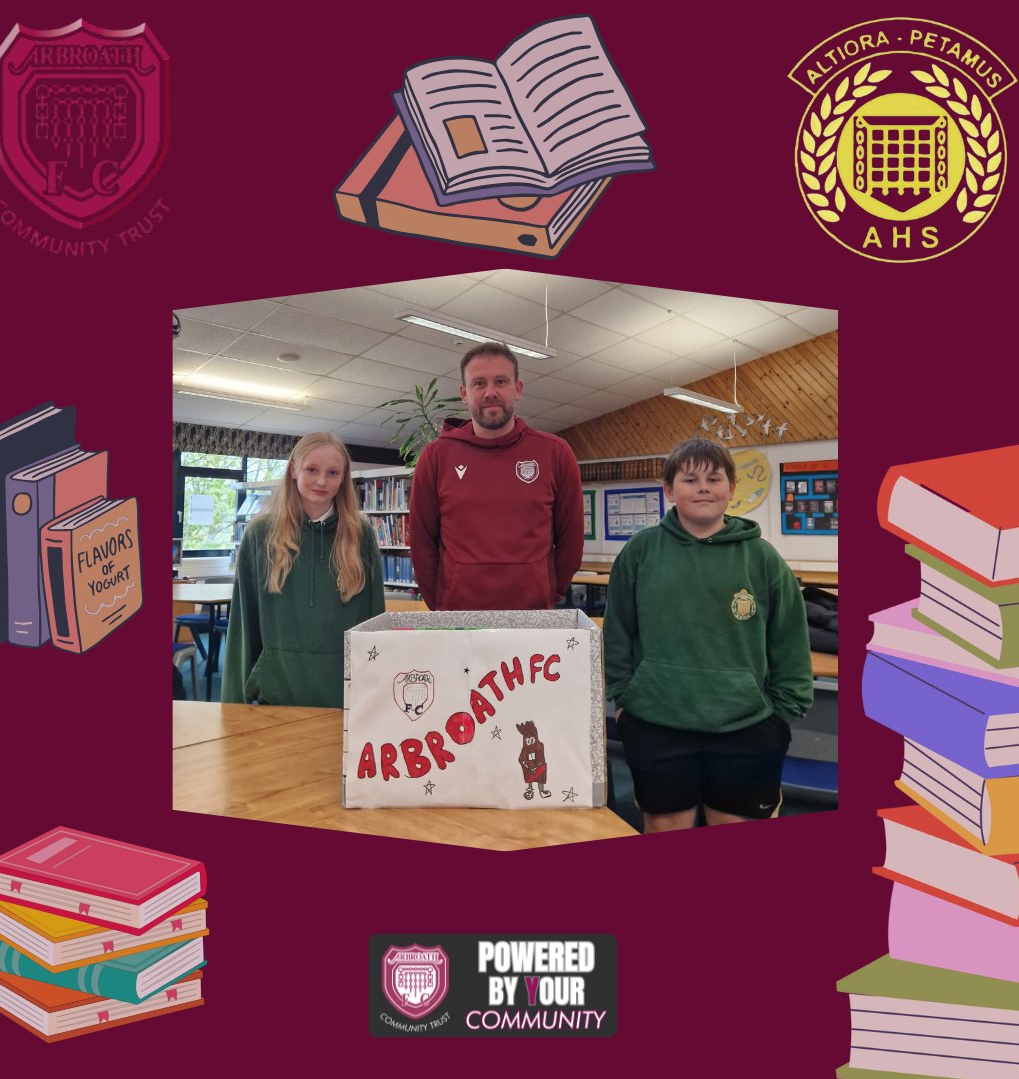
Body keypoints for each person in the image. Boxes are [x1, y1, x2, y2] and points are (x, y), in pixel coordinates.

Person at [603, 438, 812, 832]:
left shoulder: (763, 558)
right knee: (665, 826)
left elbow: (789, 639)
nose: (703, 488)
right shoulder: (640, 552)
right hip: (655, 722)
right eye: (690, 479)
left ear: (731, 489)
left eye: (714, 479)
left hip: (746, 727)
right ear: (669, 490)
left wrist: (781, 715)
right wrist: (624, 700)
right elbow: (617, 631)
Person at [409, 342, 584, 610]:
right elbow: (422, 544)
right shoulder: (436, 458)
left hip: (533, 617)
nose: (490, 392)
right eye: (479, 383)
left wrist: (548, 593)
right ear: (464, 393)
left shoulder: (555, 453)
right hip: (458, 618)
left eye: (500, 381)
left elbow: (570, 543)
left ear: (517, 389)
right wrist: (443, 604)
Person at [223, 432, 384, 707]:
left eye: (332, 473)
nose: (321, 481)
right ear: (293, 470)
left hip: (344, 696)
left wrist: (376, 697)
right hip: (275, 697)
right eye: (312, 469)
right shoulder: (260, 534)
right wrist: (233, 707)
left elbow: (374, 623)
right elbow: (242, 627)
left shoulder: (361, 536)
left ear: (343, 479)